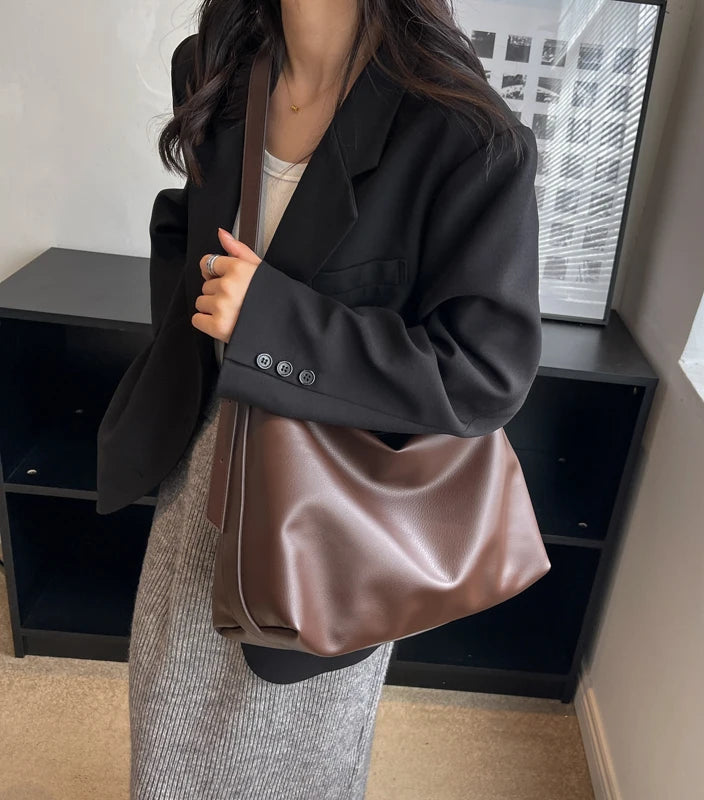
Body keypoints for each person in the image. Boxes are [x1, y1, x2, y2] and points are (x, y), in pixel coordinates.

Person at [96, 0, 541, 797]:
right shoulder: (215, 67)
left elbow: (483, 373)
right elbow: (185, 226)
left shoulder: (465, 134)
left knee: (296, 759)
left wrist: (270, 324)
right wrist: (198, 352)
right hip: (201, 468)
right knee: (168, 732)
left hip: (335, 511)